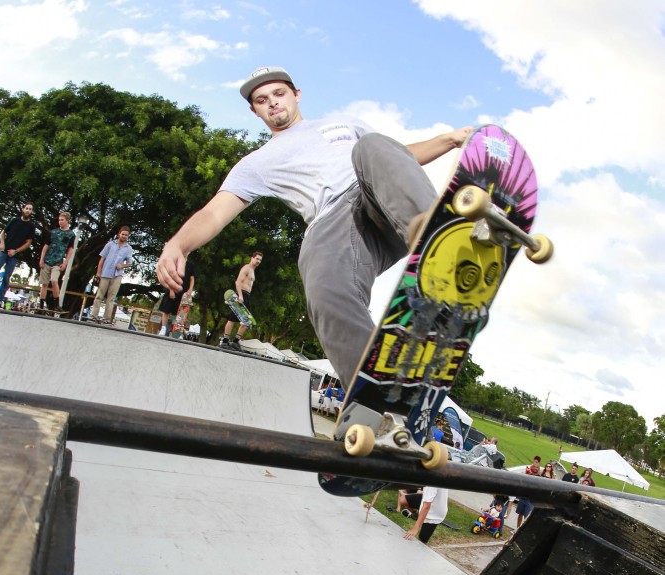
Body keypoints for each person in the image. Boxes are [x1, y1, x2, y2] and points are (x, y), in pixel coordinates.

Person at [156, 65, 472, 388]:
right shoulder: (255, 163)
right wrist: (178, 244)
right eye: (262, 100)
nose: (273, 102)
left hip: (382, 199)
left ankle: (438, 241)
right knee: (321, 283)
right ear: (255, 111)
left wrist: (449, 139)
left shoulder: (344, 124)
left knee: (372, 146)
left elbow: (398, 158)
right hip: (333, 224)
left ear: (297, 95)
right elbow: (215, 212)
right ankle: (376, 387)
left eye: (279, 93)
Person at [0, 201, 36, 308]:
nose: (28, 210)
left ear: (32, 211)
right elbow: (3, 232)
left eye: (30, 209)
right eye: (27, 208)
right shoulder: (14, 220)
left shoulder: (31, 226)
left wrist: (15, 251)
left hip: (14, 255)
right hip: (4, 251)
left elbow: (28, 243)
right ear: (23, 209)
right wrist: (2, 243)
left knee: (6, 277)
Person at [90, 226, 134, 323]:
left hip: (117, 275)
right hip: (105, 273)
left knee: (111, 298)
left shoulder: (128, 248)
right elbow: (102, 259)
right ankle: (93, 316)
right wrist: (98, 273)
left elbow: (130, 263)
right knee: (99, 295)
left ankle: (106, 319)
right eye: (123, 234)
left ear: (128, 236)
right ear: (119, 234)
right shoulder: (110, 244)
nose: (124, 236)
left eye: (126, 235)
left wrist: (122, 265)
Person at [219, 252, 262, 347]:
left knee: (247, 321)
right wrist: (240, 296)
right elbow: (237, 282)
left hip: (247, 296)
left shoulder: (252, 270)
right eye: (257, 258)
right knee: (232, 319)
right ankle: (225, 341)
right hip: (241, 295)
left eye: (260, 260)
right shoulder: (246, 268)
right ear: (252, 258)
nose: (258, 261)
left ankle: (235, 342)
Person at [37, 211, 75, 314]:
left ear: (67, 221)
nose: (60, 222)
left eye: (62, 220)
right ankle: (41, 305)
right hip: (47, 260)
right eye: (59, 220)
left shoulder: (71, 234)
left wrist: (65, 262)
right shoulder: (53, 232)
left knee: (54, 280)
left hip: (58, 262)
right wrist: (41, 259)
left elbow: (70, 249)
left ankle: (57, 304)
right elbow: (46, 246)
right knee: (44, 283)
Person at [158, 259, 195, 336]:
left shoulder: (190, 264)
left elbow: (192, 278)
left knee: (181, 313)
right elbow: (169, 276)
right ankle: (163, 328)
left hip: (184, 292)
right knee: (166, 310)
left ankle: (178, 333)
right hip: (172, 289)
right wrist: (171, 290)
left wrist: (190, 289)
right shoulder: (174, 262)